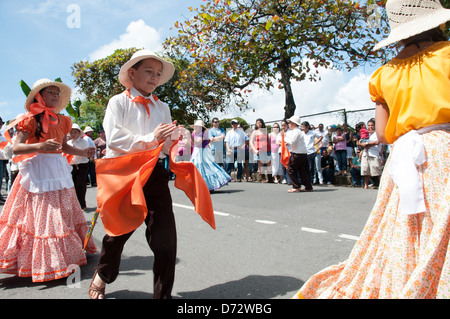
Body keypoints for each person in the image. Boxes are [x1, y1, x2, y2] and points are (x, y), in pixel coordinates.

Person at [294, 0, 450, 298]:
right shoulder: (447, 55)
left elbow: (382, 133)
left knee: (404, 226)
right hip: (444, 150)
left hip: (403, 157)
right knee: (441, 224)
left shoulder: (384, 75)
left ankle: (406, 279)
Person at [89, 50, 181, 299]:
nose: (154, 78)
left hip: (155, 175)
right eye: (148, 71)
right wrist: (151, 138)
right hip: (124, 175)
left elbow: (166, 146)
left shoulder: (163, 106)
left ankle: (163, 296)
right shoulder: (118, 102)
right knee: (117, 233)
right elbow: (115, 139)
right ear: (132, 73)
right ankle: (103, 274)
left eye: (158, 74)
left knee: (165, 239)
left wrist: (176, 140)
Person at [0, 78, 97, 282]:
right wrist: (39, 147)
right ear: (39, 96)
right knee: (40, 219)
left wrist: (83, 151)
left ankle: (60, 261)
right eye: (50, 92)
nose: (55, 95)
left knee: (61, 216)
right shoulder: (29, 119)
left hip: (58, 170)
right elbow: (16, 148)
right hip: (37, 171)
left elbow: (63, 147)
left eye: (57, 92)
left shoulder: (63, 120)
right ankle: (41, 263)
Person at [190, 119, 231, 192]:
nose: (196, 128)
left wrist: (190, 136)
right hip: (197, 152)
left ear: (201, 127)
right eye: (196, 126)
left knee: (206, 168)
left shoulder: (202, 134)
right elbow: (193, 144)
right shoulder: (194, 133)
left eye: (198, 126)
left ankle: (207, 186)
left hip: (202, 153)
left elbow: (197, 143)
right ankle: (200, 186)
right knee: (199, 168)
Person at [284, 116, 313, 193]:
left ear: (294, 123)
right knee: (302, 170)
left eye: (290, 123)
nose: (289, 124)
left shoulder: (297, 131)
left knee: (290, 168)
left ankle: (296, 186)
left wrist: (285, 138)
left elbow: (293, 141)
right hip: (300, 153)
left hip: (298, 154)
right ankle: (308, 186)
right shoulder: (295, 131)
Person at [68, 123, 90, 211]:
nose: (73, 135)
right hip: (72, 166)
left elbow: (86, 154)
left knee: (81, 185)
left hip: (82, 165)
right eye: (71, 132)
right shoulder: (68, 143)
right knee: (73, 186)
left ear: (78, 133)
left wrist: (76, 151)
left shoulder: (83, 142)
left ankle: (82, 204)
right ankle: (76, 204)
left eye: (75, 132)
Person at [358, 119, 383, 189]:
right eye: (369, 125)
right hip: (366, 153)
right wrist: (363, 144)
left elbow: (377, 142)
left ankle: (382, 186)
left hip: (374, 153)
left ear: (375, 126)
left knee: (377, 170)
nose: (370, 127)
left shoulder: (377, 133)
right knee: (365, 170)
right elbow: (360, 142)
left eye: (372, 125)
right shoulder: (366, 133)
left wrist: (367, 144)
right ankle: (366, 186)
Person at [250, 118, 273, 183]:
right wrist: (255, 150)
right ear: (256, 124)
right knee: (261, 165)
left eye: (260, 122)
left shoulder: (265, 131)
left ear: (262, 123)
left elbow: (268, 141)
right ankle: (262, 178)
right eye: (257, 122)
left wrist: (271, 149)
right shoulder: (255, 132)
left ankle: (270, 178)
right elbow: (251, 142)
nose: (259, 124)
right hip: (259, 150)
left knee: (269, 164)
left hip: (267, 150)